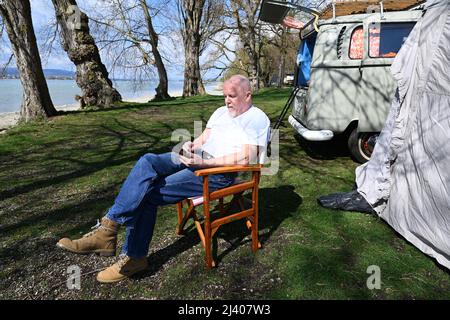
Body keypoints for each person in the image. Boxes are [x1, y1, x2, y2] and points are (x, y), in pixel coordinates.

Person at [56, 75, 271, 283]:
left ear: (248, 95)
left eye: (232, 96)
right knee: (148, 161)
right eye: (224, 95)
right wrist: (190, 145)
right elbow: (205, 137)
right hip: (198, 159)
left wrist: (204, 164)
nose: (226, 100)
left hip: (218, 173)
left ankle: (133, 256)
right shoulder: (221, 112)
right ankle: (109, 228)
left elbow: (246, 156)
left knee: (147, 193)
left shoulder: (257, 118)